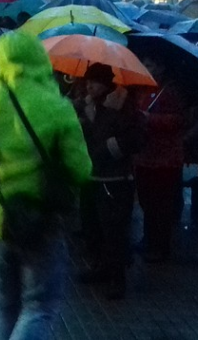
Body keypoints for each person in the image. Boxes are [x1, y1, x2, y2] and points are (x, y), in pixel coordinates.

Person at [0, 32, 91, 340]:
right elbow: (81, 170)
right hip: (42, 222)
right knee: (39, 306)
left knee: (2, 303)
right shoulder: (57, 106)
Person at [74, 63, 145, 299]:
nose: (88, 85)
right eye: (87, 81)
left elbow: (135, 138)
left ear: (105, 83)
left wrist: (106, 149)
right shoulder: (86, 105)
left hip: (114, 179)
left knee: (113, 230)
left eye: (93, 81)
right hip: (90, 175)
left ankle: (117, 279)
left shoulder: (121, 104)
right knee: (92, 227)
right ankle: (101, 267)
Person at [133, 54, 186, 262]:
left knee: (161, 203)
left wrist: (151, 120)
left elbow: (179, 120)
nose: (146, 67)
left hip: (164, 158)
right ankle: (148, 238)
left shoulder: (171, 91)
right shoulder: (143, 88)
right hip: (145, 155)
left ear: (161, 67)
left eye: (150, 63)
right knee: (146, 200)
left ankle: (160, 246)